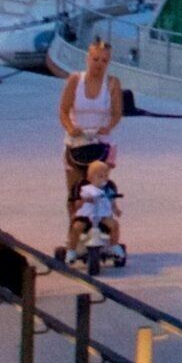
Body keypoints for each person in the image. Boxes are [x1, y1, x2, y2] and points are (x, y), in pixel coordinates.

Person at [57, 37, 125, 218]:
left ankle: (99, 228)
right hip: (77, 140)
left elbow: (117, 112)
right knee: (74, 192)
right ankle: (74, 231)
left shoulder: (112, 83)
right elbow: (63, 110)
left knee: (97, 189)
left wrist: (109, 126)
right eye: (95, 59)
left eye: (104, 61)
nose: (99, 65)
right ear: (88, 59)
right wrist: (70, 127)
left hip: (100, 142)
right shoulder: (75, 80)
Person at [69, 149, 126, 270]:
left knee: (114, 225)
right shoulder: (84, 187)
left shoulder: (109, 187)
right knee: (76, 227)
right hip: (86, 215)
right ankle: (71, 250)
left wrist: (116, 209)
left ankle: (114, 245)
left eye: (106, 175)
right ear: (90, 176)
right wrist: (82, 202)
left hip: (102, 215)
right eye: (99, 176)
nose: (103, 178)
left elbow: (112, 200)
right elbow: (77, 201)